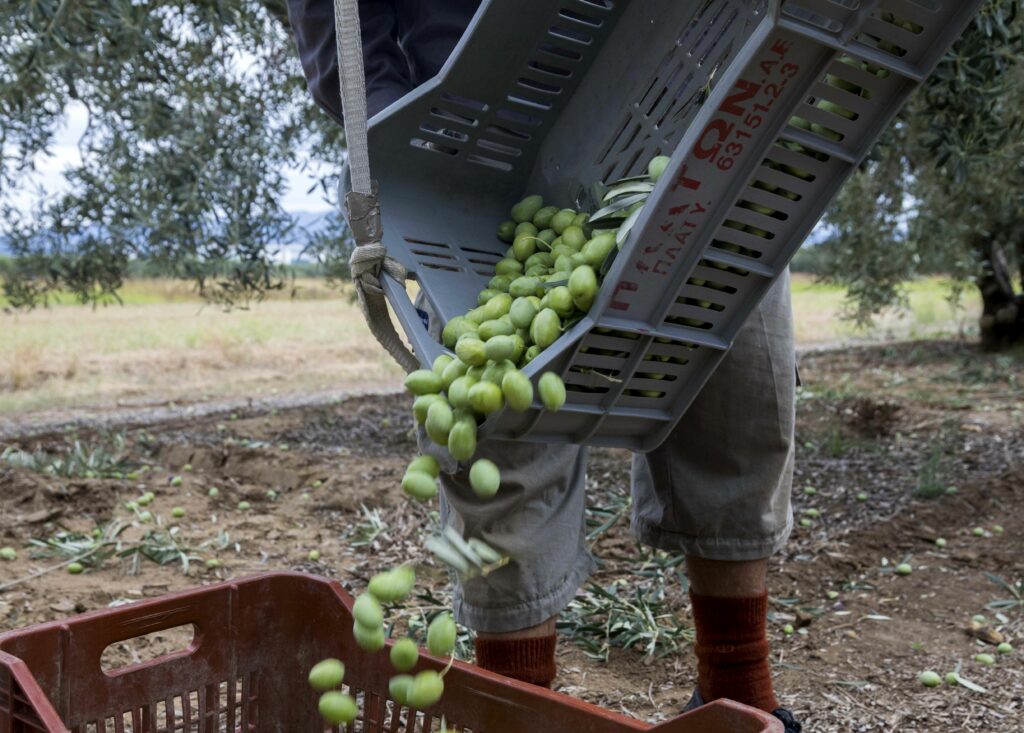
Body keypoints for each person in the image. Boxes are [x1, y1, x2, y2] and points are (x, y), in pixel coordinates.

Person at [286, 2, 803, 730]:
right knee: (502, 448)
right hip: (483, 149)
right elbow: (339, 28)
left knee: (739, 394)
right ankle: (519, 714)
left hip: (681, 113)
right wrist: (408, 140)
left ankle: (742, 694)